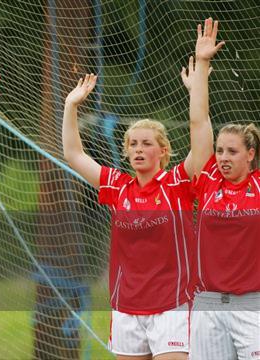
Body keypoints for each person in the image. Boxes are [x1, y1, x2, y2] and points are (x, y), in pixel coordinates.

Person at [62, 74, 197, 359]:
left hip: (171, 306)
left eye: (146, 143)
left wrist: (197, 90)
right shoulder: (117, 186)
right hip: (126, 307)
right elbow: (74, 154)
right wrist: (70, 105)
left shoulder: (177, 183)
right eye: (133, 143)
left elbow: (201, 142)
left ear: (163, 151)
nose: (138, 148)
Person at [186, 18, 260, 360]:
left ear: (251, 153)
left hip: (253, 306)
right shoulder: (209, 179)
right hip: (207, 305)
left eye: (232, 151)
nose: (223, 157)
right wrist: (202, 63)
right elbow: (199, 120)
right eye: (219, 151)